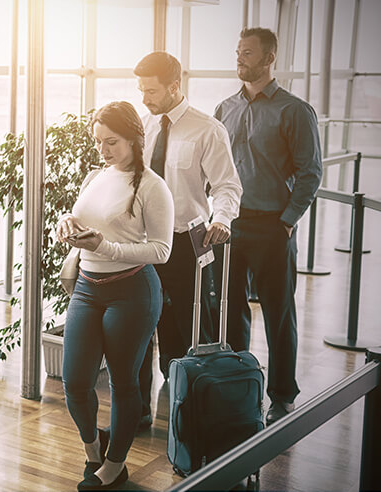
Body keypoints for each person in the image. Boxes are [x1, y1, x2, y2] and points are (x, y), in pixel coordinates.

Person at [55, 101, 173, 490]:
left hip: (132, 292)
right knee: (74, 383)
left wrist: (106, 247)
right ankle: (93, 451)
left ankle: (115, 464)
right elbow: (82, 217)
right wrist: (65, 223)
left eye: (112, 142)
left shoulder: (154, 187)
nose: (103, 151)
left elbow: (161, 250)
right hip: (87, 288)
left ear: (136, 140)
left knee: (123, 382)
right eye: (99, 142)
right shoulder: (96, 177)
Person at [214, 28, 322, 425]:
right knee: (229, 310)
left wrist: (288, 222)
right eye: (238, 52)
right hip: (231, 224)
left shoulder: (294, 110)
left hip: (273, 226)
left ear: (269, 59)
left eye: (248, 53)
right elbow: (216, 167)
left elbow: (310, 173)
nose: (240, 59)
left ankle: (281, 393)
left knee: (278, 313)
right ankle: (238, 380)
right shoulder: (224, 108)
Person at [133, 51, 242, 430]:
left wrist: (223, 219)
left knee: (188, 331)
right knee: (139, 329)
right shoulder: (143, 126)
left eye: (151, 90)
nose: (144, 97)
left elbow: (228, 186)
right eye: (141, 89)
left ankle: (194, 416)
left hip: (187, 243)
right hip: (145, 243)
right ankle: (138, 414)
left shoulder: (207, 129)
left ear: (174, 86)